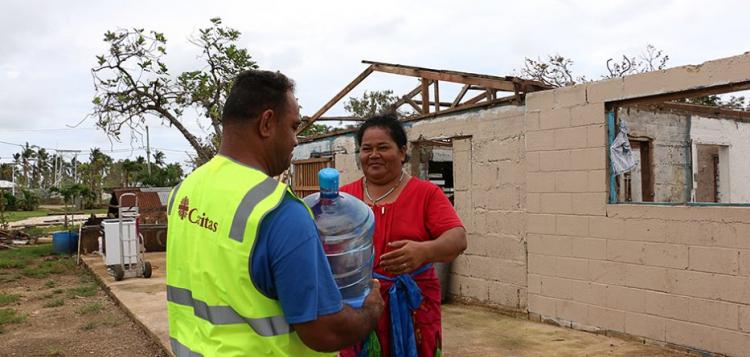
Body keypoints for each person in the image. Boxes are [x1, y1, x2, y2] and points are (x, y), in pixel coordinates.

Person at [165, 69, 384, 356]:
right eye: (293, 127)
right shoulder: (279, 210)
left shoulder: (184, 190)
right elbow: (325, 330)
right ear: (267, 123)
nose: (296, 140)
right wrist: (371, 310)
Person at [339, 114, 467, 357]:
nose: (373, 154)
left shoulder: (426, 194)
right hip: (357, 305)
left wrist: (424, 251)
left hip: (413, 304)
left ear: (402, 151)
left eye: (383, 147)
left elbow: (458, 239)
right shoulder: (344, 198)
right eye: (366, 148)